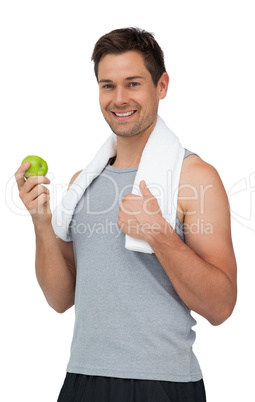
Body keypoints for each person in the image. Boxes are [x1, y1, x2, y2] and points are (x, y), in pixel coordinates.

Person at [15, 27, 237, 402]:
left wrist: (161, 235)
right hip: (82, 378)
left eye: (133, 83)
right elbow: (59, 298)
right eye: (107, 86)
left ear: (161, 86)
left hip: (163, 385)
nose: (119, 99)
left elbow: (221, 306)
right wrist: (41, 221)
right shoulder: (82, 183)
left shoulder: (195, 177)